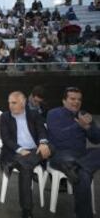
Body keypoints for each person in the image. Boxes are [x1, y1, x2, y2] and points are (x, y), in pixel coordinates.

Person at [47, 87, 100, 218]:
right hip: (61, 154)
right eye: (72, 99)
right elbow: (58, 136)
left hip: (80, 155)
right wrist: (79, 125)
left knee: (80, 170)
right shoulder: (53, 113)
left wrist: (88, 127)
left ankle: (78, 166)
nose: (76, 102)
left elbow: (96, 139)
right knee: (83, 175)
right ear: (64, 100)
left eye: (79, 99)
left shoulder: (84, 115)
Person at [0, 91, 52, 218]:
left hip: (36, 151)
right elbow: (6, 139)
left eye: (14, 103)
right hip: (16, 152)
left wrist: (43, 143)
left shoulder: (33, 114)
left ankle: (26, 210)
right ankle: (27, 210)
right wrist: (20, 149)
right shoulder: (5, 117)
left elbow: (42, 131)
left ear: (23, 103)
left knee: (51, 147)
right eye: (9, 103)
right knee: (26, 168)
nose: (10, 105)